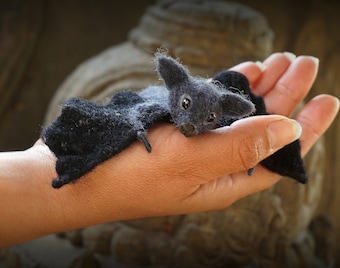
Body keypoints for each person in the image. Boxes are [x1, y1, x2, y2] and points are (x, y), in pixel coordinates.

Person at [0, 52, 338, 248]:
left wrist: (252, 152)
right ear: (175, 85)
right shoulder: (155, 103)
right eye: (187, 106)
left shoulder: (222, 113)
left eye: (206, 118)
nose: (191, 124)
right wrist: (45, 172)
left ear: (223, 114)